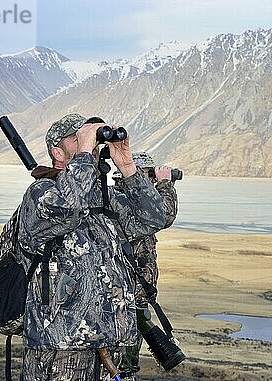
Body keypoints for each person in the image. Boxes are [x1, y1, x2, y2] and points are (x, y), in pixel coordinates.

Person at [17, 113, 166, 381]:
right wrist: (86, 154)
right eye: (78, 138)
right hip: (61, 348)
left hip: (112, 347)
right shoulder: (41, 193)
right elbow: (67, 205)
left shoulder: (106, 198)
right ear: (57, 153)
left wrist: (128, 166)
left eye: (91, 138)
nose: (91, 143)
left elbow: (154, 218)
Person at [116, 152, 179, 379]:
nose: (151, 180)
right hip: (125, 297)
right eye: (148, 175)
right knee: (122, 364)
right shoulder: (123, 199)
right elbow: (165, 216)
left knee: (128, 361)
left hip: (136, 296)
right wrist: (164, 184)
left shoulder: (128, 198)